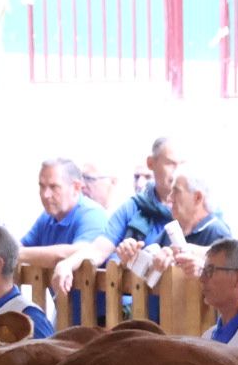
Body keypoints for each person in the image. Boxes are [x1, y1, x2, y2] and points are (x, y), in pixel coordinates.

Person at [50, 137, 182, 320]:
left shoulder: (195, 209)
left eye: (182, 165)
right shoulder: (133, 207)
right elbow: (99, 248)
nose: (177, 172)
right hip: (137, 314)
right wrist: (66, 264)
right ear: (151, 163)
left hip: (182, 315)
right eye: (171, 163)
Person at [18, 158, 107, 268]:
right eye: (42, 186)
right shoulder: (47, 217)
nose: (45, 195)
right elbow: (20, 246)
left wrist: (17, 254)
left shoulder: (93, 214)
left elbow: (79, 253)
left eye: (54, 187)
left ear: (76, 187)